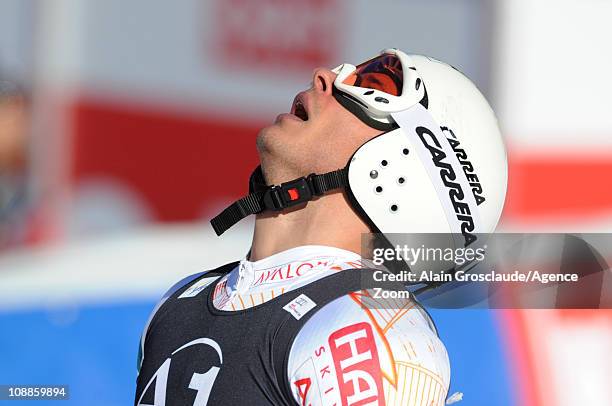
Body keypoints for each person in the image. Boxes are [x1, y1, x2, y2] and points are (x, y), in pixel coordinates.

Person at [135, 49, 507, 406]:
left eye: (374, 83)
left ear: (409, 166)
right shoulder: (181, 301)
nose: (325, 76)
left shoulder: (370, 331)